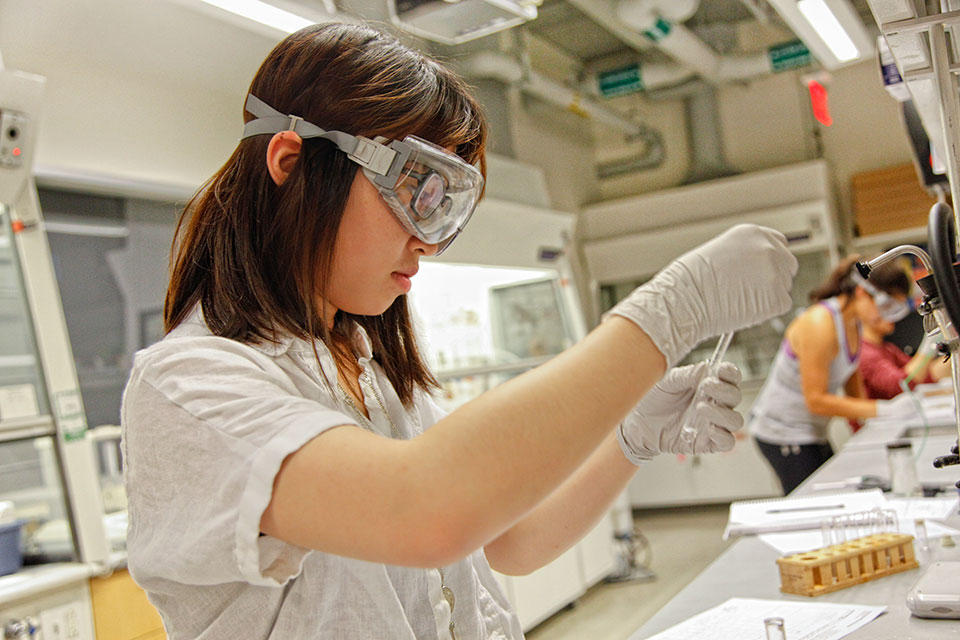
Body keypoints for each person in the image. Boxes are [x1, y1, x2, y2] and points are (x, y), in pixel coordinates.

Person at [121, 23, 797, 639]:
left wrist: (628, 437)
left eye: (444, 206)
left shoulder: (368, 367)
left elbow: (509, 538)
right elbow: (422, 512)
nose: (428, 240)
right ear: (293, 163)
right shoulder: (188, 387)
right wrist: (671, 312)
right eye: (412, 190)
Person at [749, 255, 918, 495]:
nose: (887, 318)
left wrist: (872, 424)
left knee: (836, 488)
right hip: (782, 432)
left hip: (811, 429)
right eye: (886, 306)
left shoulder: (854, 324)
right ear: (862, 292)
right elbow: (816, 400)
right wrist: (883, 409)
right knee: (813, 502)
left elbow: (852, 381)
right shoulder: (820, 324)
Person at [858, 260, 948, 400]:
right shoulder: (864, 353)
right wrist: (929, 345)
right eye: (890, 306)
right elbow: (901, 385)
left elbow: (924, 376)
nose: (894, 316)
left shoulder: (887, 349)